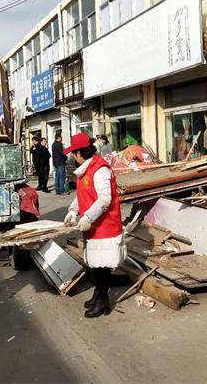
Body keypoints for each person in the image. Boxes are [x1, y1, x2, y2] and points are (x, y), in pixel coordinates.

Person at [63, 133, 125, 318]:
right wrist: (73, 210)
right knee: (97, 265)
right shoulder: (87, 170)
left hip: (104, 225)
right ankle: (98, 293)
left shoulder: (100, 170)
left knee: (103, 266)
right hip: (95, 226)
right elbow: (82, 194)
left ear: (80, 153)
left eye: (74, 153)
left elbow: (105, 199)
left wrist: (88, 217)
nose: (73, 157)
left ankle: (103, 301)